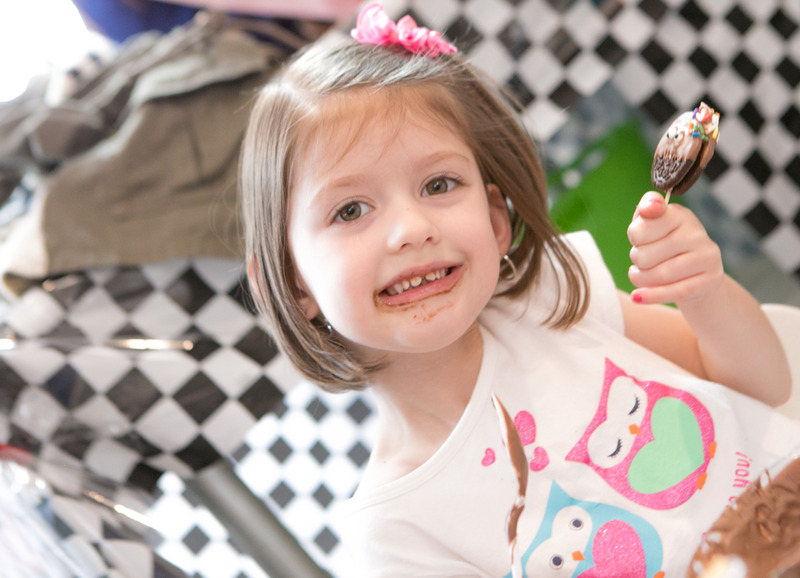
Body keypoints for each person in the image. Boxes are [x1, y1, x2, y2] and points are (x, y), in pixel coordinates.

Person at [239, 4, 798, 576]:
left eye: (439, 184)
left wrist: (704, 293)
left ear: (494, 218)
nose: (411, 228)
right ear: (292, 280)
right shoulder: (396, 536)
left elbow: (765, 385)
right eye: (350, 210)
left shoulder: (551, 298)